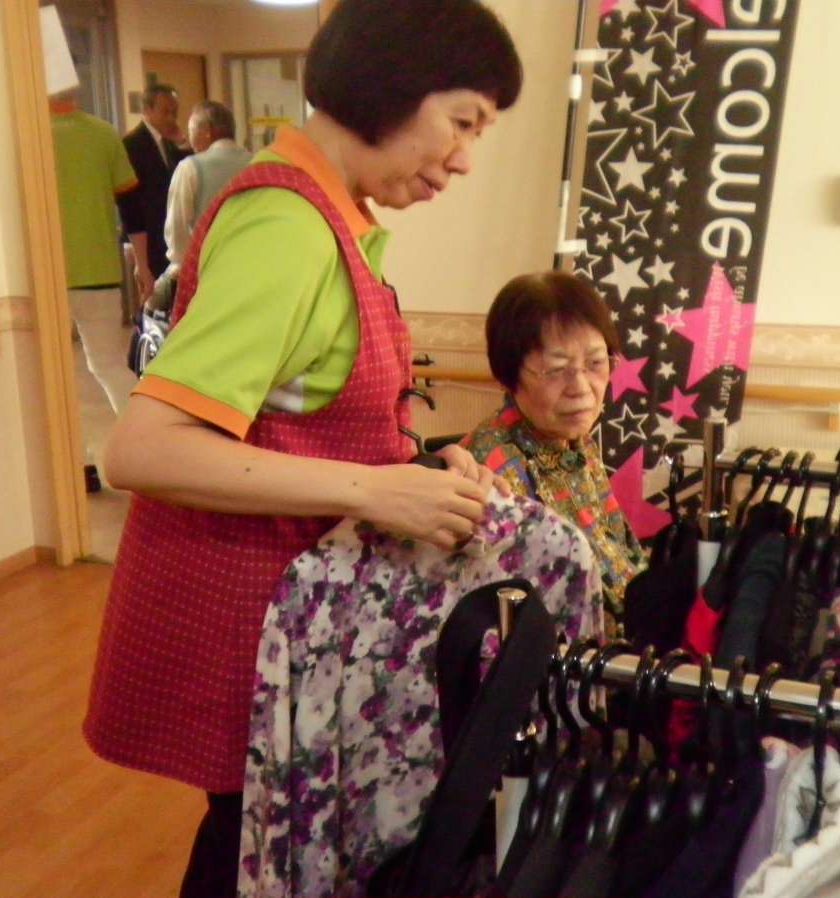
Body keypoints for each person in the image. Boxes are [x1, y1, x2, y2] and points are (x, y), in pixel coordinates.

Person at [82, 2, 523, 896]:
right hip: (248, 623)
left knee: (258, 844)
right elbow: (142, 449)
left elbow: (299, 411)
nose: (465, 159)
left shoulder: (329, 215)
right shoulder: (286, 227)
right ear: (393, 84)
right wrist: (374, 490)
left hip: (290, 620)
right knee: (249, 854)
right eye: (462, 122)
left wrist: (411, 471)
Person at [461, 271, 647, 630]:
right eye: (556, 370)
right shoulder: (491, 469)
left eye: (596, 363)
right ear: (508, 375)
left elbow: (619, 555)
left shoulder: (576, 441)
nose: (581, 388)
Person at [48, 87, 150, 416]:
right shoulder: (103, 133)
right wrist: (142, 266)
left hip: (43, 274)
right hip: (99, 271)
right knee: (108, 366)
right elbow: (132, 208)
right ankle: (143, 433)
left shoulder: (31, 134)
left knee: (44, 373)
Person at [161, 100, 253, 285]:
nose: (189, 137)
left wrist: (183, 264)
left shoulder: (190, 167)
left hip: (209, 270)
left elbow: (177, 227)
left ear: (207, 131)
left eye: (191, 129)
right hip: (252, 264)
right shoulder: (256, 162)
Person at [123, 83, 190, 287]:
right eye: (165, 112)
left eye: (174, 112)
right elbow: (131, 202)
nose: (171, 118)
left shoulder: (171, 142)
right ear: (147, 110)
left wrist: (182, 142)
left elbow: (188, 175)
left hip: (171, 237)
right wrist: (140, 259)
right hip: (147, 239)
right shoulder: (131, 144)